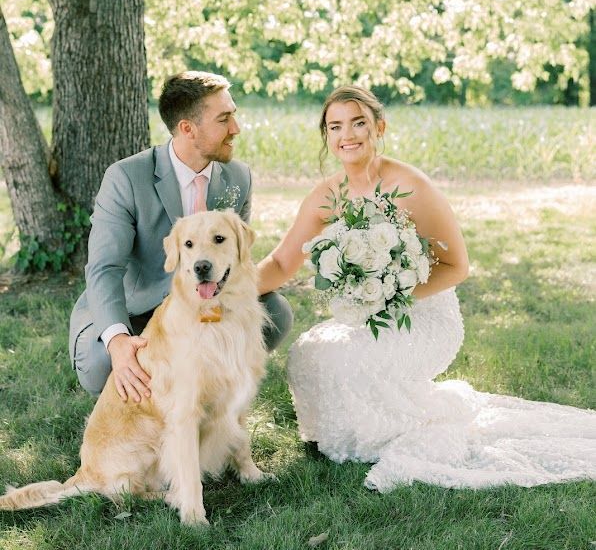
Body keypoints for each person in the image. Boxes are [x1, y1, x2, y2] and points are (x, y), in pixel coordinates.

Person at [258, 86, 596, 491]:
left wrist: (390, 294)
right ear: (328, 137)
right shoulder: (327, 195)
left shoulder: (410, 184)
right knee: (310, 353)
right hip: (369, 313)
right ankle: (356, 435)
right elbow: (280, 263)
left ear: (378, 127)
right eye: (335, 126)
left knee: (345, 359)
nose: (347, 134)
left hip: (423, 315)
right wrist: (226, 288)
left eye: (358, 122)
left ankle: (401, 429)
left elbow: (457, 266)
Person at [69, 71, 293, 402]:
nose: (236, 128)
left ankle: (212, 384)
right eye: (224, 119)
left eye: (233, 115)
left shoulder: (238, 176)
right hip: (138, 311)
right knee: (103, 364)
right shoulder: (126, 177)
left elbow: (236, 260)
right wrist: (118, 342)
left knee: (276, 315)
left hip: (206, 302)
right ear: (188, 128)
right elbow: (104, 269)